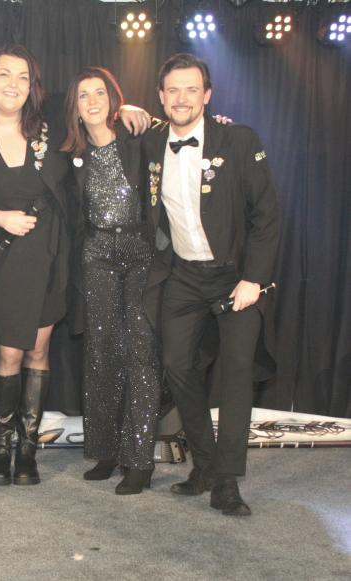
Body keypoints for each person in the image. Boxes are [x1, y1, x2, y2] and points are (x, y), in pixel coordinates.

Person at [143, 53, 279, 516]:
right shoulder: (151, 143)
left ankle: (226, 481)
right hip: (184, 275)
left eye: (191, 89)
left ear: (207, 95)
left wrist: (254, 279)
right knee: (177, 365)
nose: (181, 98)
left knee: (236, 370)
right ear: (161, 96)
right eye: (172, 90)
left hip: (235, 276)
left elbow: (267, 216)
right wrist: (124, 110)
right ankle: (203, 464)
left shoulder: (238, 139)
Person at [0, 46, 69, 487]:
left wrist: (134, 111)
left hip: (49, 251)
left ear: (32, 86)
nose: (13, 84)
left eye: (23, 77)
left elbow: (94, 108)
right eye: (5, 74)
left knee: (39, 351)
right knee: (8, 351)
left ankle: (28, 450)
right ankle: (0, 449)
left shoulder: (49, 125)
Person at [60, 67, 161, 494]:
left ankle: (139, 459)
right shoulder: (69, 153)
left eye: (99, 93)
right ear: (75, 107)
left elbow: (177, 129)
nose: (92, 101)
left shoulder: (137, 137)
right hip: (97, 254)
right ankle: (105, 451)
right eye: (83, 95)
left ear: (113, 99)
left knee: (140, 353)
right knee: (102, 353)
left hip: (141, 253)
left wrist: (141, 112)